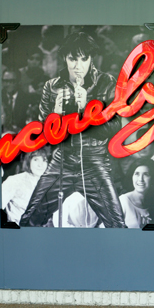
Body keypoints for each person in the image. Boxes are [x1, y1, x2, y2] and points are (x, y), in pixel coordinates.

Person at [19, 32, 127, 228]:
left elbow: (114, 128)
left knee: (117, 224)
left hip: (94, 162)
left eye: (84, 59)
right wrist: (56, 115)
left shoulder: (106, 83)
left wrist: (88, 109)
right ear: (64, 58)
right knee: (29, 220)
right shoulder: (52, 87)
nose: (78, 66)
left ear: (91, 58)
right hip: (63, 161)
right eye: (72, 59)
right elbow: (43, 136)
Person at [1, 148, 49, 225]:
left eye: (44, 160)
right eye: (36, 160)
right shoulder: (14, 181)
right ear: (29, 161)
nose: (40, 164)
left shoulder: (49, 183)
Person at [119, 159, 154, 228]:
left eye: (146, 174)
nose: (140, 179)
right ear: (132, 177)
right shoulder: (123, 201)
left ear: (153, 178)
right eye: (137, 174)